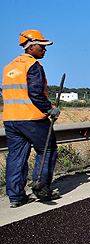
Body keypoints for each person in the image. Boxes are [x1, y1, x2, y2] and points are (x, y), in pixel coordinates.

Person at [2, 30, 61, 208]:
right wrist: (49, 109)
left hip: (11, 119)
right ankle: (41, 188)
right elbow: (35, 92)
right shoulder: (33, 65)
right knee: (47, 149)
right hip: (32, 117)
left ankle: (16, 196)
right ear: (30, 46)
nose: (44, 50)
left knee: (15, 157)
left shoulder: (9, 66)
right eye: (41, 46)